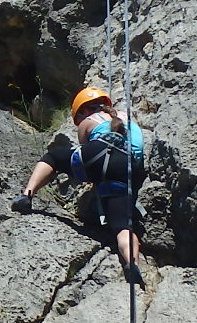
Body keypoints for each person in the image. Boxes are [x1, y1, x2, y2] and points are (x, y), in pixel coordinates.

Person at [12, 87, 147, 283]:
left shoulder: (88, 121)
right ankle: (131, 261)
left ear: (83, 110)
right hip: (125, 168)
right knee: (122, 226)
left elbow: (84, 149)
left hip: (97, 154)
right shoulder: (128, 119)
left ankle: (27, 195)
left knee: (54, 157)